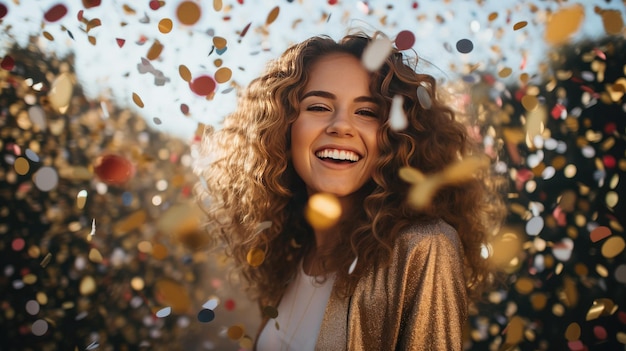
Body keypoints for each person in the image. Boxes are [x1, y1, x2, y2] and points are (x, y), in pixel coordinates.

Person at [194, 30, 505, 350]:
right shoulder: (292, 255)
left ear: (395, 137)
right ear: (284, 127)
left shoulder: (423, 246)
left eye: (367, 112)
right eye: (318, 107)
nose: (341, 126)